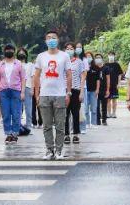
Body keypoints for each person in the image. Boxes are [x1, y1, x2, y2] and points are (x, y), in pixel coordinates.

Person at [34, 31, 72, 159]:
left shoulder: (64, 56)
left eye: (54, 38)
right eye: (49, 38)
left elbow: (68, 74)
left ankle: (59, 150)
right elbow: (37, 76)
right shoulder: (41, 56)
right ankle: (49, 150)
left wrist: (68, 92)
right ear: (45, 41)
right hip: (44, 94)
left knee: (60, 125)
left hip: (60, 94)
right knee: (47, 125)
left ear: (58, 40)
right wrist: (37, 94)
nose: (51, 40)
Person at [0, 44, 26, 144]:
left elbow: (23, 79)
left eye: (11, 49)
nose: (9, 51)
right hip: (3, 91)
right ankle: (8, 133)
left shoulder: (19, 64)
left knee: (16, 113)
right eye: (7, 49)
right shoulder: (0, 65)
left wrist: (22, 92)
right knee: (6, 113)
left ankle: (15, 133)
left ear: (14, 51)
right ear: (4, 51)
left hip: (16, 90)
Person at [62, 42, 86, 144]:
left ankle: (76, 134)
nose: (69, 50)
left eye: (71, 48)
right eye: (67, 48)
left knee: (75, 113)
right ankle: (66, 135)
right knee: (65, 114)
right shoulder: (62, 62)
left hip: (75, 90)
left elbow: (83, 77)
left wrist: (81, 92)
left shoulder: (79, 62)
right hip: (64, 91)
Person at [101, 52, 123, 123]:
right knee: (108, 100)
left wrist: (119, 83)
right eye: (109, 55)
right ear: (108, 56)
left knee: (114, 99)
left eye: (112, 55)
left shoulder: (116, 65)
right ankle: (108, 113)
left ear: (114, 56)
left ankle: (114, 113)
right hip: (107, 85)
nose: (111, 56)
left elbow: (120, 74)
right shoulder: (105, 65)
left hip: (115, 84)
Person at [19, 49, 36, 130]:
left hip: (28, 87)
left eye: (23, 53)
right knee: (18, 108)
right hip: (17, 88)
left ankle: (29, 125)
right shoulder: (16, 64)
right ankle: (18, 125)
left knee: (28, 108)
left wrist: (32, 89)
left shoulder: (30, 65)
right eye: (20, 53)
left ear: (26, 54)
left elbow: (33, 78)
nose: (21, 54)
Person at [86, 54, 104, 127]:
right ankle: (87, 123)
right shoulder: (83, 67)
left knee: (94, 108)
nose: (88, 58)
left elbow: (98, 80)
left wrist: (97, 89)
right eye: (87, 56)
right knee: (86, 108)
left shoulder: (96, 68)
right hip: (85, 90)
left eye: (89, 56)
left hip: (93, 90)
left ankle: (93, 123)